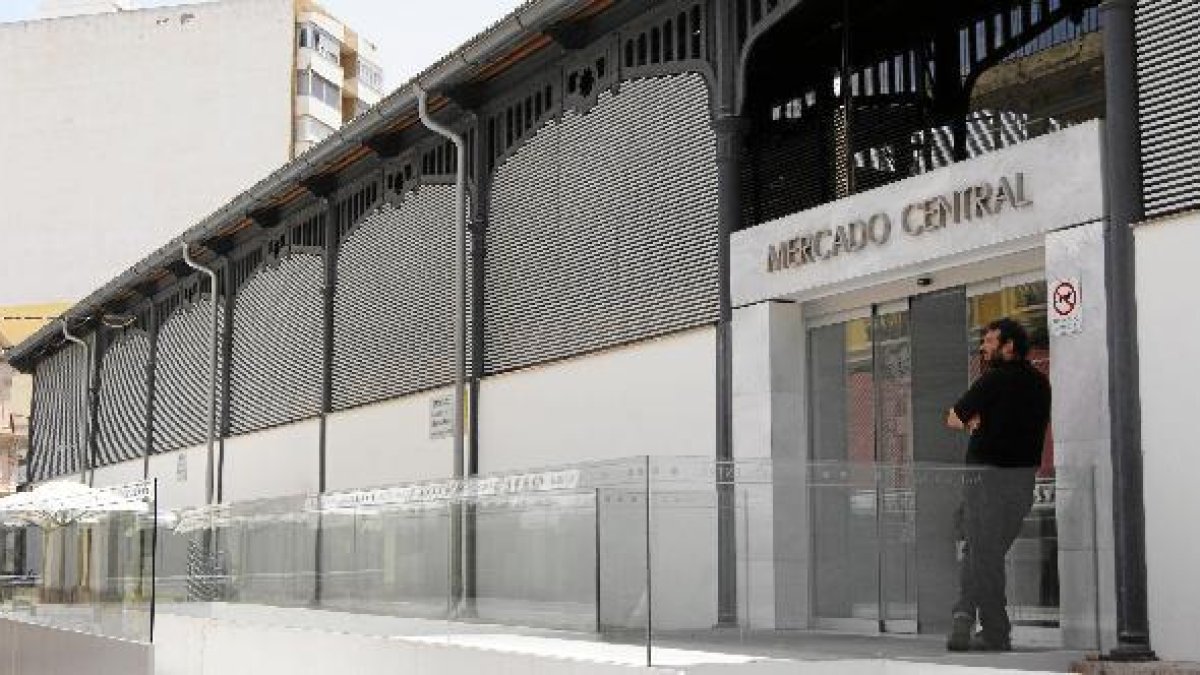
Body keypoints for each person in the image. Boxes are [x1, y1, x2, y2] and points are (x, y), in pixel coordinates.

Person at [944, 318, 1051, 652]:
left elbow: (954, 417)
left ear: (1009, 346)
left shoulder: (992, 380)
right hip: (1021, 481)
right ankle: (977, 622)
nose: (983, 348)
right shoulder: (1040, 384)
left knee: (982, 553)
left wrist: (973, 423)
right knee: (985, 553)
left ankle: (981, 623)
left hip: (985, 478)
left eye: (990, 341)